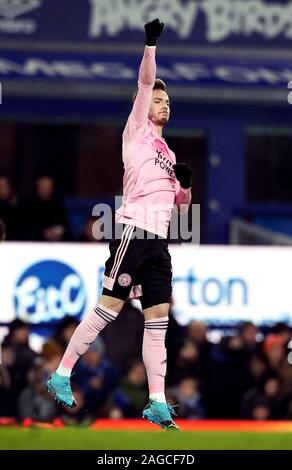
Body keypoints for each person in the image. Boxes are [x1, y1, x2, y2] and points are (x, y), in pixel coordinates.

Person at [47, 18, 192, 430]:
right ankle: (61, 373)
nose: (165, 105)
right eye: (159, 101)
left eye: (168, 102)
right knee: (109, 308)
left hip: (159, 241)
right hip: (134, 229)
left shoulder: (166, 150)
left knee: (158, 319)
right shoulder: (136, 131)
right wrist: (151, 46)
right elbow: (146, 83)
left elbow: (181, 205)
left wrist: (185, 186)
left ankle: (157, 401)